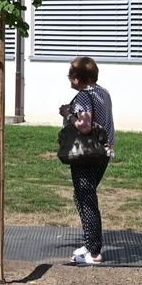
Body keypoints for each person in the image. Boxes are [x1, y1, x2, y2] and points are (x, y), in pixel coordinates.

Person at [58, 56, 116, 266]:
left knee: (86, 198)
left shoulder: (83, 97)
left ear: (76, 79)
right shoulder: (102, 93)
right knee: (82, 196)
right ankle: (90, 242)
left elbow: (85, 126)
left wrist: (68, 114)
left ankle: (94, 251)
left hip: (86, 154)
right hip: (103, 152)